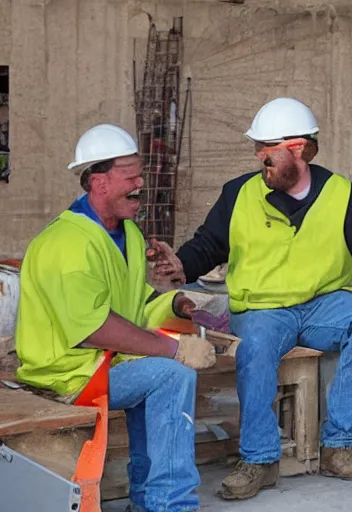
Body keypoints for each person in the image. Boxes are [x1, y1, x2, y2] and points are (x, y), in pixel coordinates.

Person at [156, 97, 352, 500]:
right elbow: (209, 244)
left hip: (322, 304)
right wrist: (181, 265)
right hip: (263, 308)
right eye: (258, 150)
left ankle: (342, 446)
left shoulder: (343, 195)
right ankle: (260, 459)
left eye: (267, 151)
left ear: (298, 149)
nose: (259, 158)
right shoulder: (238, 194)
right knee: (257, 344)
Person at [14, 124, 216, 512]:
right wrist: (174, 348)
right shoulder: (67, 243)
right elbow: (93, 328)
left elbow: (132, 308)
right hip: (66, 372)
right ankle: (170, 505)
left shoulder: (129, 235)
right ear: (99, 182)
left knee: (157, 368)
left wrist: (175, 305)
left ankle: (147, 497)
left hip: (106, 364)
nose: (141, 185)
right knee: (172, 374)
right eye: (131, 177)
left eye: (140, 175)